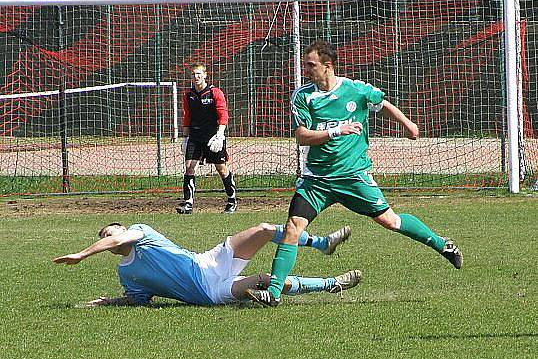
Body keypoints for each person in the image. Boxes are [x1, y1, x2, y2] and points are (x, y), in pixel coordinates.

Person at [245, 40, 463, 308]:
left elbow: (382, 104)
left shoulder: (356, 90)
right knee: (293, 228)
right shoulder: (303, 96)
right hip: (317, 180)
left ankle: (443, 245)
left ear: (328, 66)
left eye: (310, 65)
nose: (306, 69)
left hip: (353, 177)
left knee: (390, 221)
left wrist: (408, 125)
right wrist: (336, 131)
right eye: (305, 64)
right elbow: (302, 136)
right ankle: (274, 293)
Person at [52, 222, 357, 307]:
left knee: (264, 230)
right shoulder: (126, 273)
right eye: (106, 236)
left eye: (111, 231)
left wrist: (81, 254)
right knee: (264, 279)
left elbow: (118, 240)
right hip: (210, 292)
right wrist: (109, 302)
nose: (110, 237)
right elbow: (137, 300)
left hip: (209, 261)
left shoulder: (142, 232)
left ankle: (320, 243)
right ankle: (332, 284)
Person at [177, 63, 237, 214]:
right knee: (189, 167)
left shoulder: (214, 92)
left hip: (213, 137)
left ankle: (232, 200)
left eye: (199, 74)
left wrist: (220, 134)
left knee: (221, 169)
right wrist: (185, 137)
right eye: (193, 74)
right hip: (195, 136)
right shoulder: (188, 95)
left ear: (205, 75)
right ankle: (188, 203)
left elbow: (223, 114)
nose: (196, 77)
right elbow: (187, 117)